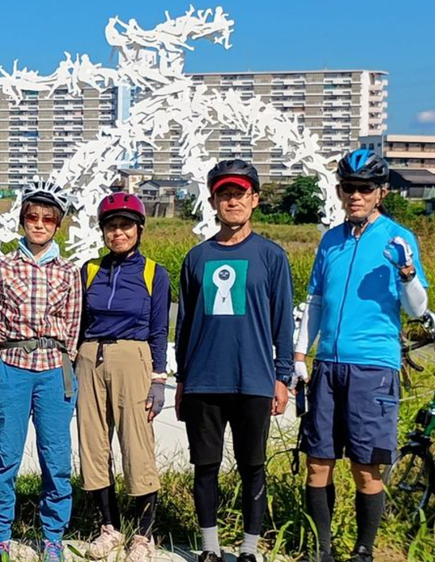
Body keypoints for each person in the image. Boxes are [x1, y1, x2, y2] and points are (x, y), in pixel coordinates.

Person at [294, 149, 429, 562]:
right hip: (327, 365)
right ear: (339, 191)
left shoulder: (398, 238)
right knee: (318, 461)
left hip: (373, 367)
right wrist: (299, 356)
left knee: (366, 466)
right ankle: (322, 549)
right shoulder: (330, 240)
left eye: (365, 189)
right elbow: (316, 302)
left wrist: (407, 274)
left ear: (380, 192)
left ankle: (363, 551)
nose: (356, 196)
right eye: (348, 188)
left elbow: (418, 309)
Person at [174, 159, 294, 562]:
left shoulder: (271, 256)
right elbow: (184, 324)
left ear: (254, 199)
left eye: (240, 193)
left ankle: (248, 549)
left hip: (254, 379)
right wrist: (182, 379)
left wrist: (282, 376)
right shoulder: (197, 257)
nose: (232, 201)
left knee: (252, 467)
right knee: (205, 466)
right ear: (212, 202)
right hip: (203, 380)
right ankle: (209, 547)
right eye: (224, 194)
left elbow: (282, 321)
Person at [0, 179, 83, 562]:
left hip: (54, 373)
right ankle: (0, 534)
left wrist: (68, 371)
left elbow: (73, 328)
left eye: (48, 219)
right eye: (33, 217)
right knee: (5, 458)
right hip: (11, 371)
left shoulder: (69, 272)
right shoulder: (2, 267)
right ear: (22, 220)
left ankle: (53, 536)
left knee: (57, 460)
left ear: (57, 225)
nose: (39, 225)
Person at [77, 193, 170, 562]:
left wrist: (158, 379)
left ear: (139, 230)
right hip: (90, 356)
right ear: (103, 231)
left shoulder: (153, 273)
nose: (118, 232)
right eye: (111, 226)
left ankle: (144, 533)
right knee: (93, 444)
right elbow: (78, 321)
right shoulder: (89, 270)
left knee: (136, 444)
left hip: (133, 355)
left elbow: (159, 329)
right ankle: (109, 527)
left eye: (125, 226)